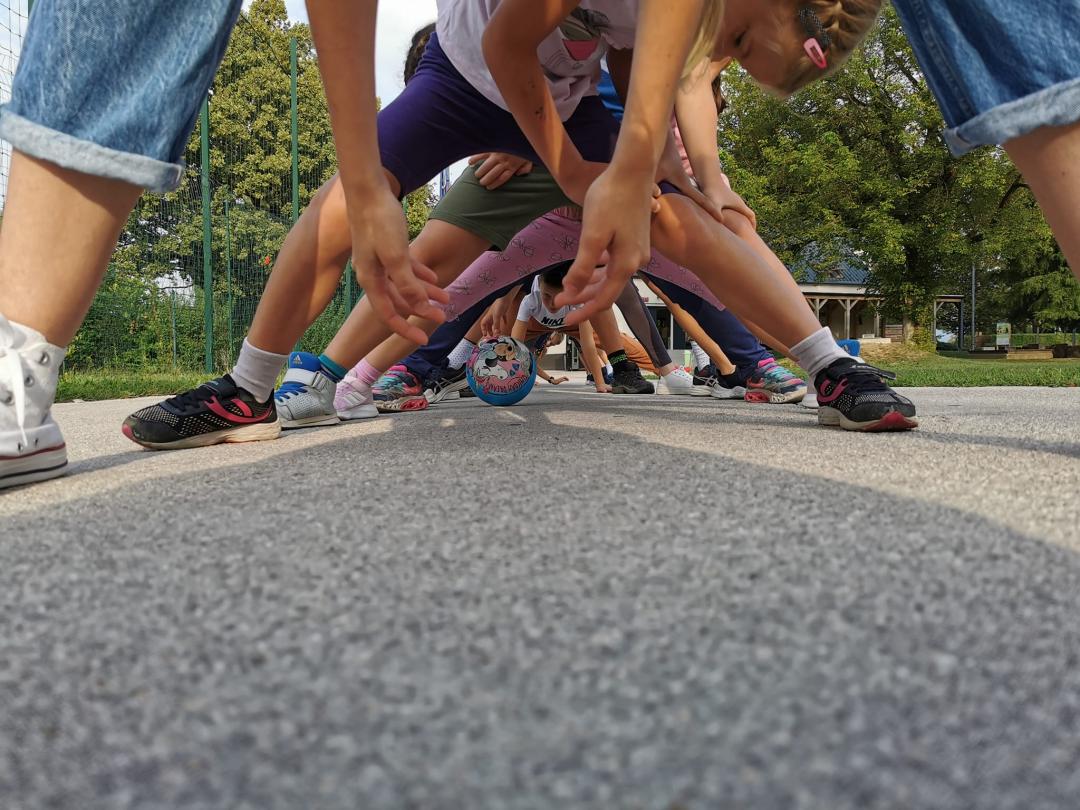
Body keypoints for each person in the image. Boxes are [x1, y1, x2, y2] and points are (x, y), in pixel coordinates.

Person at [0, 1, 415, 487]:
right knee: (354, 212)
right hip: (463, 73)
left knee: (441, 247)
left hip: (510, 77)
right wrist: (363, 185)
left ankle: (338, 376)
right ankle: (21, 388)